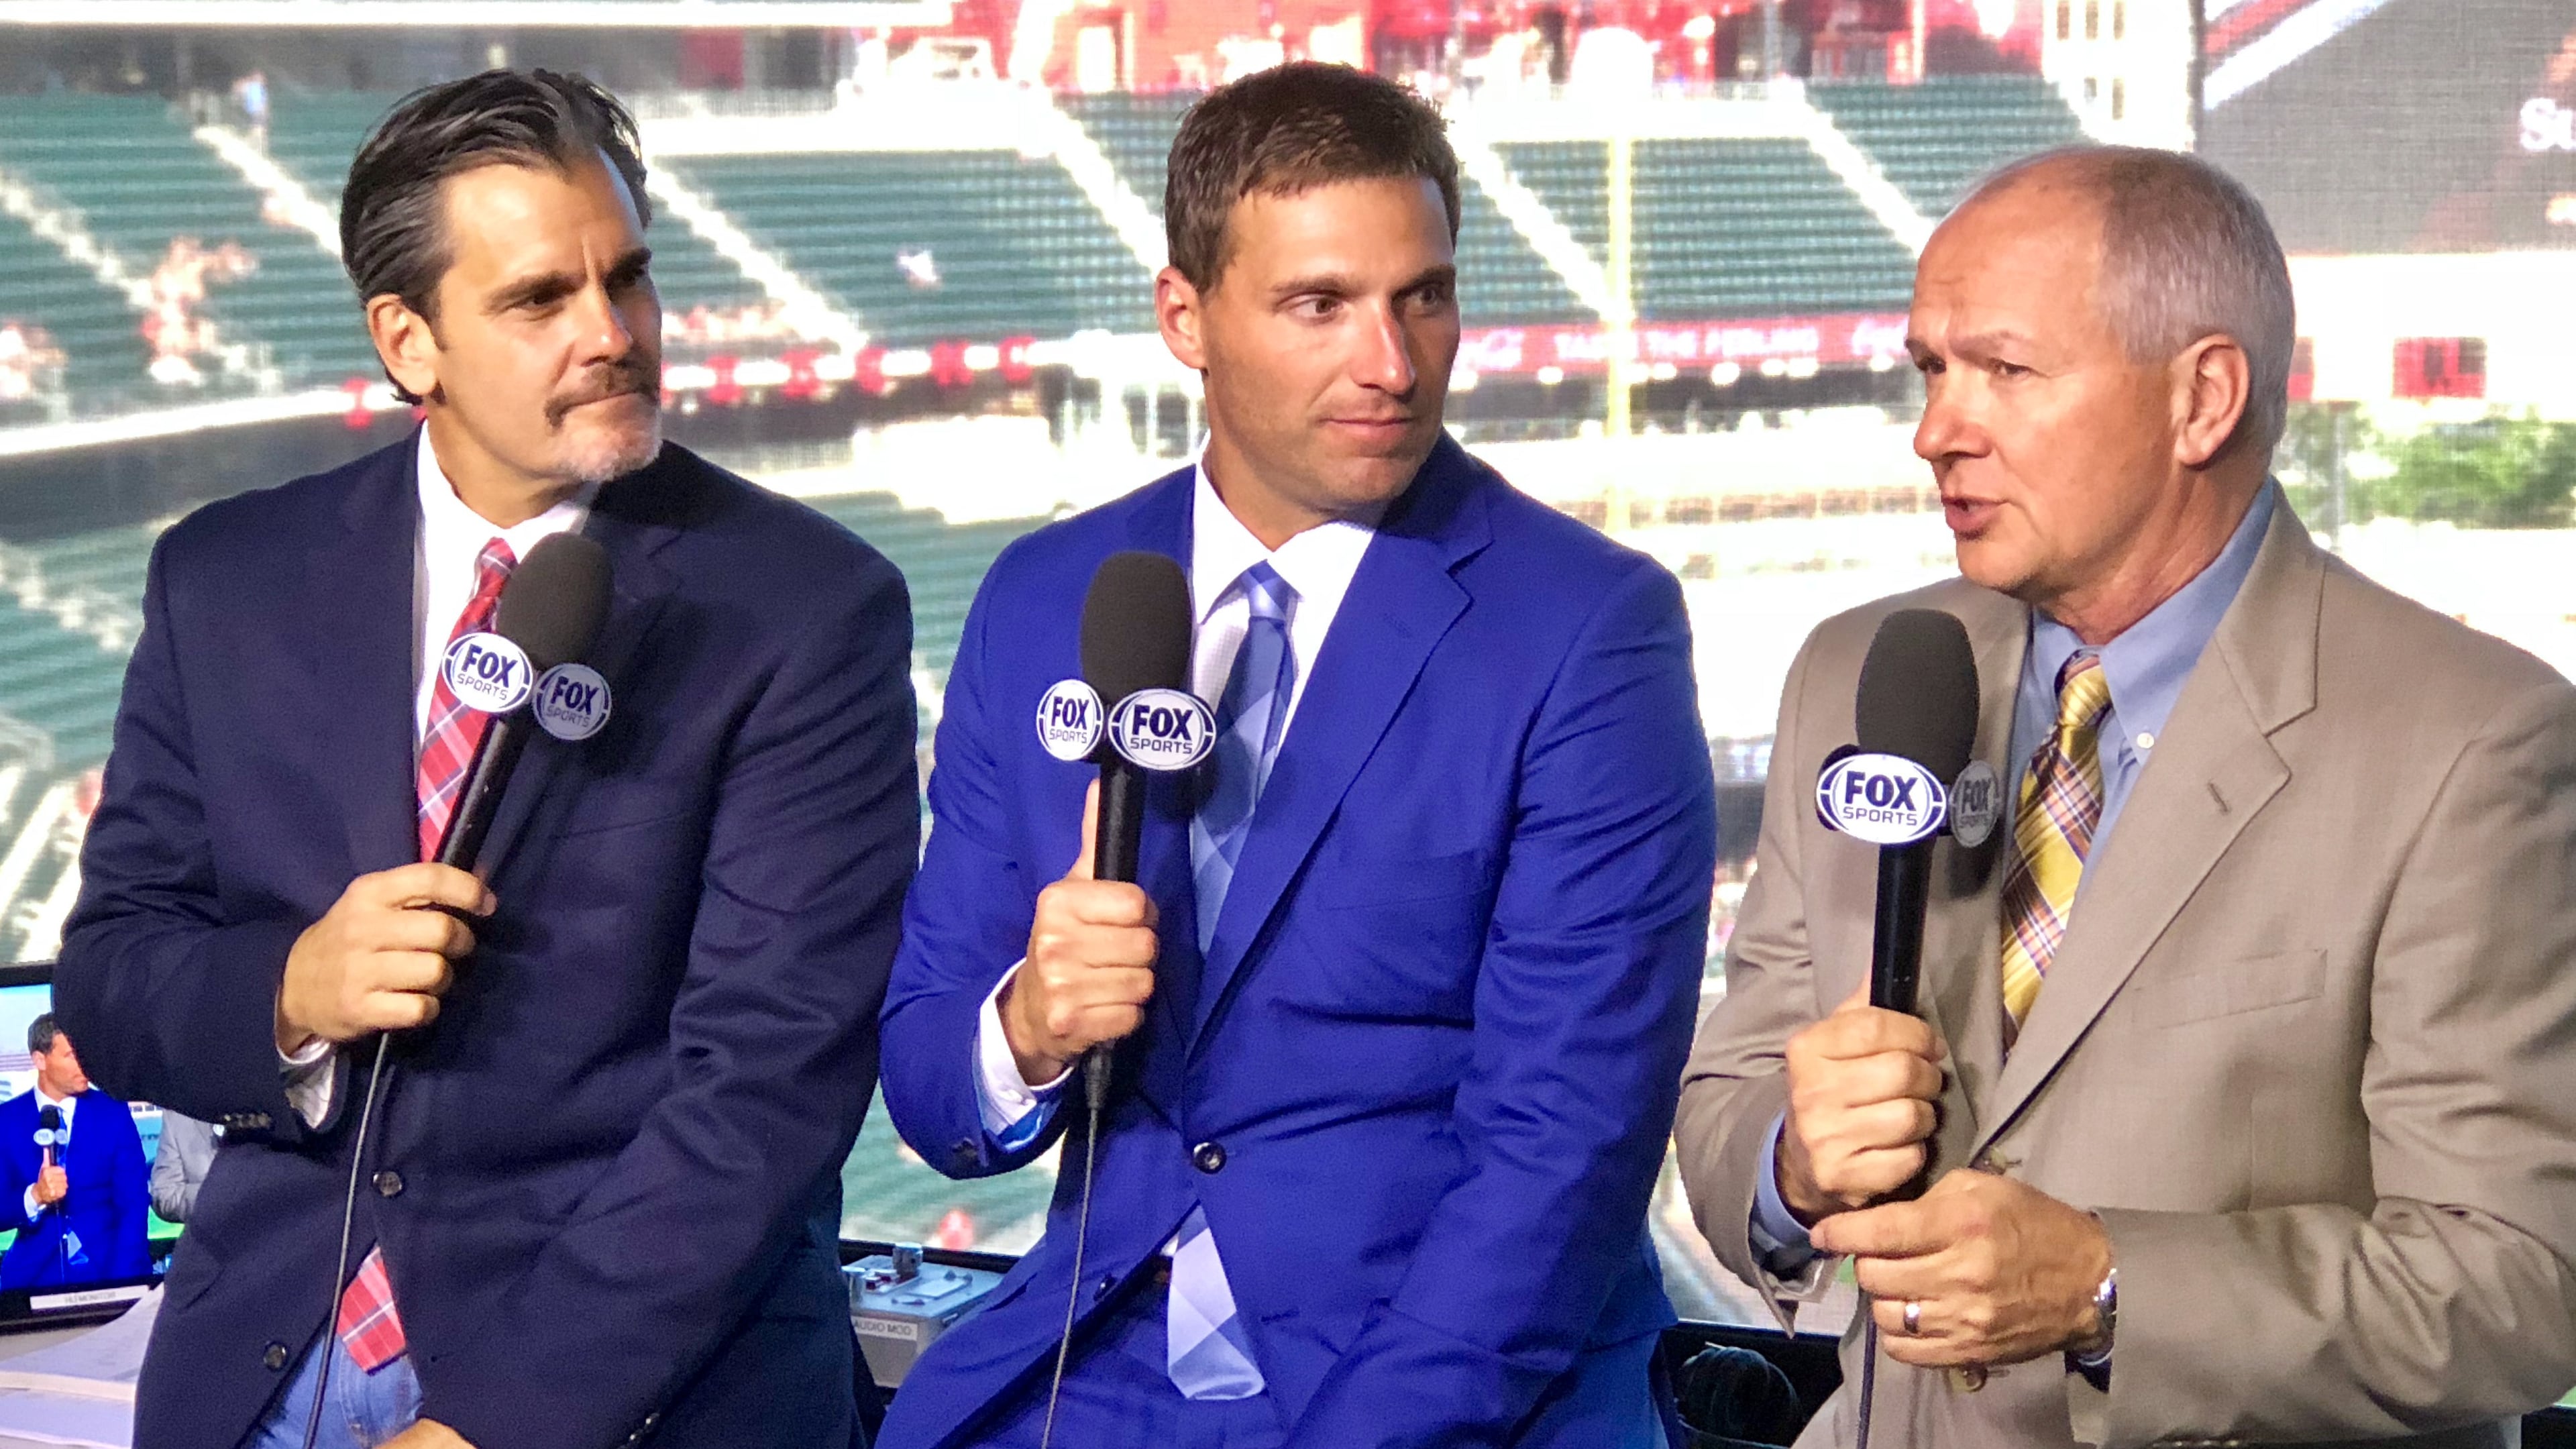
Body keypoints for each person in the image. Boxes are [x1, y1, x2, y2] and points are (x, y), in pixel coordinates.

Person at [56, 70, 918, 1449]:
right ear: (411, 341)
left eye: (626, 281)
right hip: (260, 1377)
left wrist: (493, 1430)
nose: (613, 334)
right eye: (539, 301)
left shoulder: (806, 611)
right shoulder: (224, 579)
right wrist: (291, 984)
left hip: (626, 1398)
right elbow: (113, 973)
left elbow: (763, 1093)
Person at [1674, 145, 2576, 1448]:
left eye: (2005, 371)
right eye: (1932, 370)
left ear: (2201, 399)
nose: (1938, 428)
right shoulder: (1861, 673)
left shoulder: (2472, 743)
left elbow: (2522, 1283)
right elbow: (1730, 1100)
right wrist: (1789, 1166)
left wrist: (2106, 1287)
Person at [875, 62, 1716, 1449]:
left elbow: (1559, 1161)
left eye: (1424, 298)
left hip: (1444, 1378)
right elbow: (929, 1080)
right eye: (1321, 305)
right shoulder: (1044, 600)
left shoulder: (1588, 630)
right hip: (1096, 1360)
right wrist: (1027, 1027)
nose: (1390, 364)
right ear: (1184, 319)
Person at [0, 1016, 150, 1290]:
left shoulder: (113, 1113)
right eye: (70, 1055)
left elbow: (133, 1205)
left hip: (110, 1270)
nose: (84, 1065)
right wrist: (35, 1196)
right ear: (40, 1060)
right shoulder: (6, 1121)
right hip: (32, 1277)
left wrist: (122, 1284)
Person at [148, 1109, 217, 1224]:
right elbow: (165, 1196)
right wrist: (219, 1196)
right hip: (208, 1238)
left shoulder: (256, 1111)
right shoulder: (178, 1116)